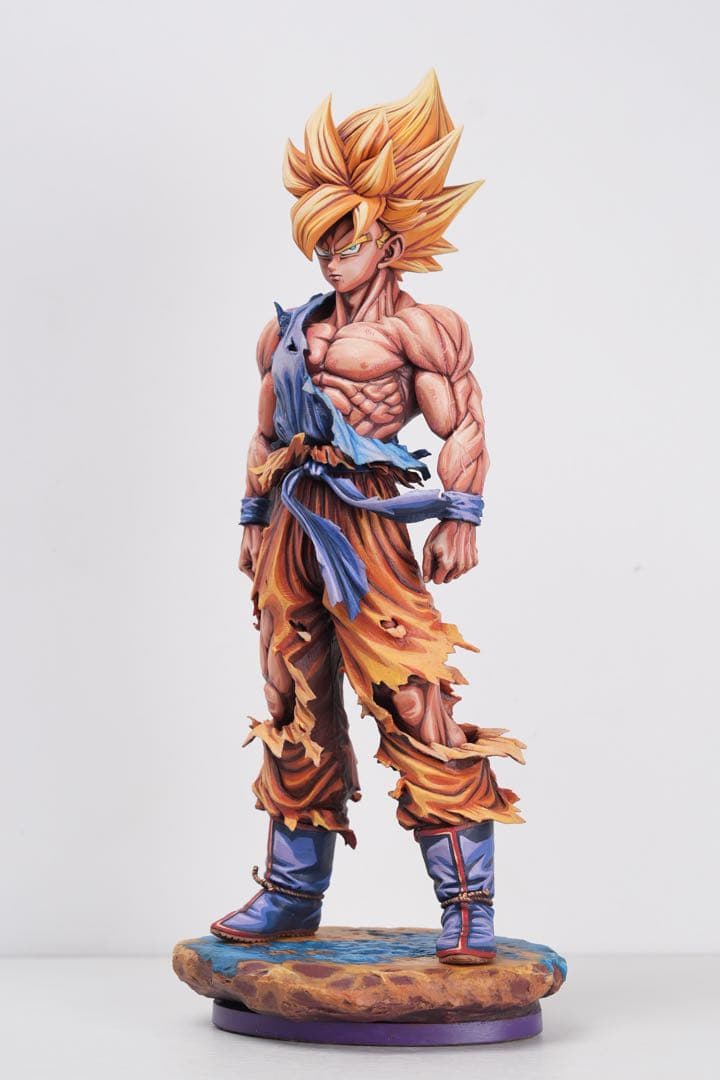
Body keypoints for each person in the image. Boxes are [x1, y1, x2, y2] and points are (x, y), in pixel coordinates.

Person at [211, 72, 525, 964]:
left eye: (345, 240)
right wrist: (252, 518)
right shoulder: (288, 332)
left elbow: (464, 421)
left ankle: (467, 903)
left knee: (414, 693)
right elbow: (265, 430)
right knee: (291, 697)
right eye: (319, 241)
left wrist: (460, 516)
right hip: (291, 523)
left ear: (386, 241)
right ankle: (290, 894)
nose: (329, 257)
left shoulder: (422, 330)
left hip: (369, 523)